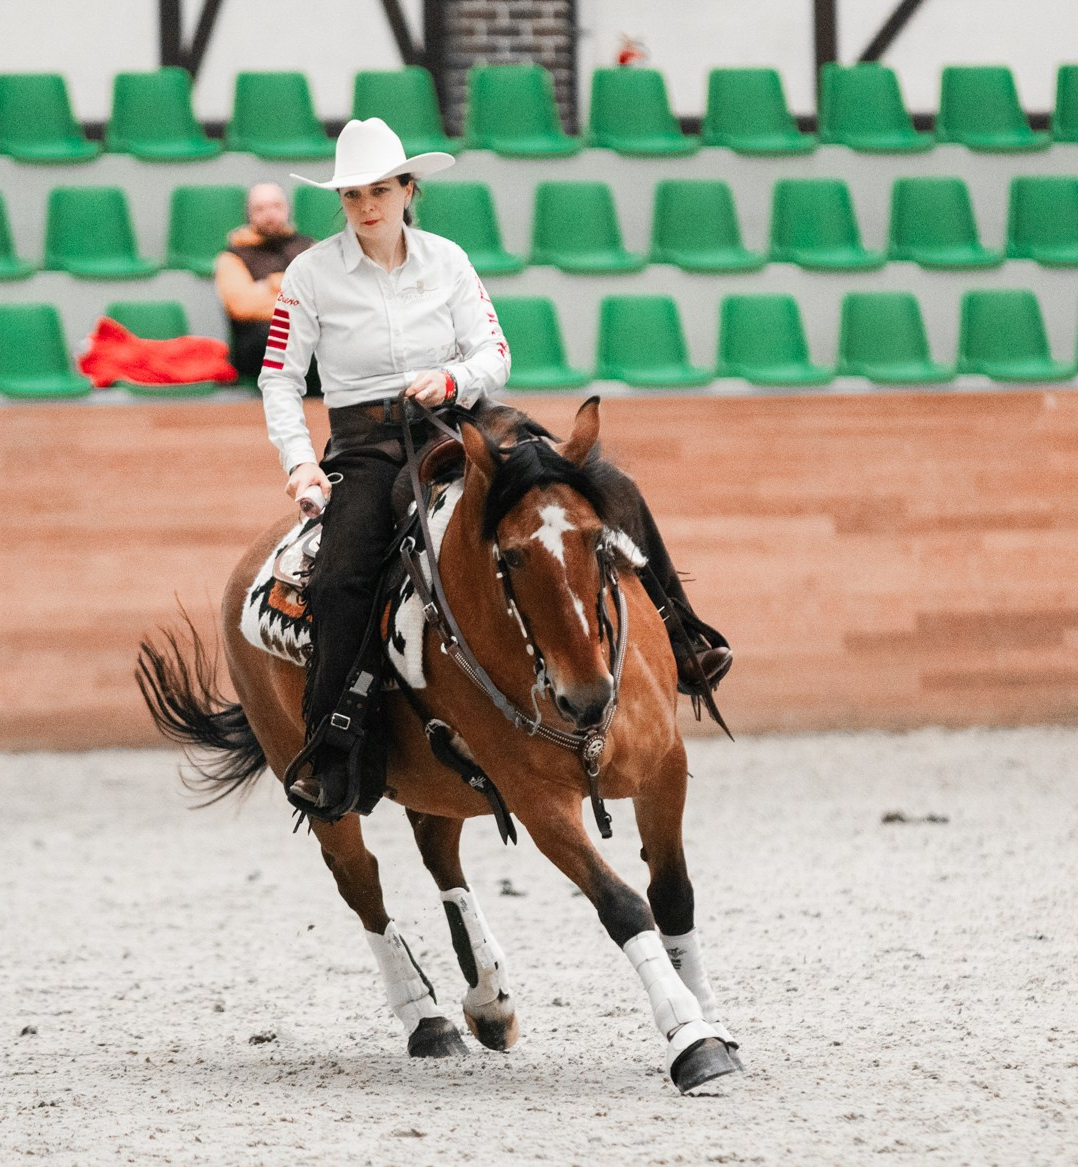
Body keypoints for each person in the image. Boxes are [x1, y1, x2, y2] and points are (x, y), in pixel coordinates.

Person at [259, 118, 730, 820]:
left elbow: (494, 354)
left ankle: (684, 636)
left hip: (463, 421)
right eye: (353, 194)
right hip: (367, 442)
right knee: (341, 572)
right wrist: (301, 467)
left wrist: (449, 382)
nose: (367, 206)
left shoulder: (447, 259)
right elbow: (279, 381)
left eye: (380, 190)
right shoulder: (308, 274)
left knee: (604, 486)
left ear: (408, 188)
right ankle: (334, 742)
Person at [215, 182, 316, 386]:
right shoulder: (232, 256)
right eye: (260, 208)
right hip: (258, 346)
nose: (270, 214)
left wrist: (269, 286)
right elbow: (242, 306)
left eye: (276, 206)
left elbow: (327, 295)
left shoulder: (309, 248)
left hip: (309, 337)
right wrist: (296, 291)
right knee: (279, 335)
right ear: (249, 214)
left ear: (287, 209)